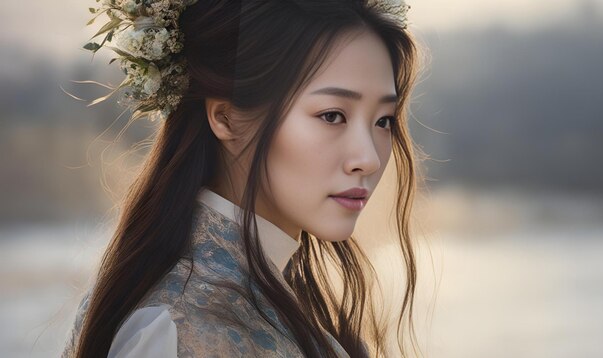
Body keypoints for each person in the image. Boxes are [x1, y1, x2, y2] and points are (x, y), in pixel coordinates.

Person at [62, 0, 427, 357]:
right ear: (227, 118)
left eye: (384, 121)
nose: (368, 158)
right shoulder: (177, 328)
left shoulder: (273, 300)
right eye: (332, 116)